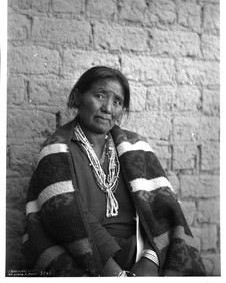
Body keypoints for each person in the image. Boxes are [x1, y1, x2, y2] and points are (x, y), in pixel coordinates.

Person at [23, 66, 206, 277]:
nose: (108, 108)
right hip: (86, 260)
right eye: (100, 96)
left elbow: (163, 208)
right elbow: (65, 217)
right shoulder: (56, 152)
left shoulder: (136, 148)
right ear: (77, 97)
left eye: (117, 102)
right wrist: (115, 274)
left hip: (143, 257)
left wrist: (150, 259)